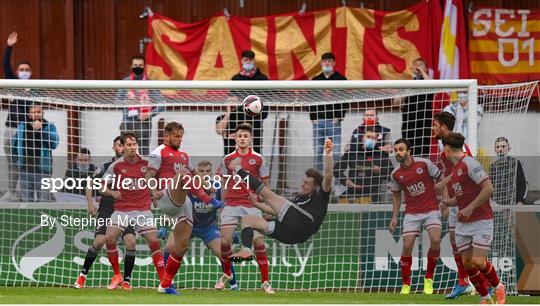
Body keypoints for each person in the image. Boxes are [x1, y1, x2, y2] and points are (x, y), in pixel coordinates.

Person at [146, 122, 223, 295]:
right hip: (165, 195)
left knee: (181, 246)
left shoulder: (184, 156)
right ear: (167, 136)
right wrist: (153, 190)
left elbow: (195, 175)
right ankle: (209, 200)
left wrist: (207, 185)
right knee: (181, 175)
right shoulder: (159, 152)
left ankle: (165, 284)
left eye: (181, 136)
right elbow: (149, 174)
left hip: (182, 202)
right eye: (176, 136)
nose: (180, 140)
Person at [228, 138, 333, 260]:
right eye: (303, 181)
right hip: (292, 235)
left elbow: (328, 175)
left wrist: (328, 153)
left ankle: (237, 168)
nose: (303, 184)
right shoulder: (298, 199)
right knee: (247, 220)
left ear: (315, 187)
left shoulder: (320, 195)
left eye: (307, 183)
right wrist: (257, 204)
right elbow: (277, 211)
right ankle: (246, 250)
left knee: (273, 197)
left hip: (306, 224)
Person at [441, 132, 506, 304]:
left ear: (447, 149)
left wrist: (470, 207)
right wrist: (448, 202)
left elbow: (488, 188)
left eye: (444, 150)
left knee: (478, 261)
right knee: (468, 263)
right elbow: (462, 196)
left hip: (481, 219)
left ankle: (499, 287)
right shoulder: (455, 170)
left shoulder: (470, 163)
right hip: (464, 222)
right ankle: (485, 297)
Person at [101, 133, 165, 291]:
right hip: (122, 210)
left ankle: (164, 280)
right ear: (122, 147)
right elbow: (101, 186)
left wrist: (155, 193)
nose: (132, 147)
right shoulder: (115, 165)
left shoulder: (146, 163)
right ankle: (117, 275)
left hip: (143, 209)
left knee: (154, 242)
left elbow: (154, 180)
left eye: (134, 144)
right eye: (128, 145)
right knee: (109, 238)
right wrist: (111, 192)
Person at [161, 160, 238, 290]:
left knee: (223, 253)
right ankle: (167, 280)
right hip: (187, 223)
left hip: (208, 227)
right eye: (201, 171)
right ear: (197, 173)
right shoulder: (190, 186)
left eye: (208, 171)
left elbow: (224, 208)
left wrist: (230, 228)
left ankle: (233, 284)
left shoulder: (217, 187)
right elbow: (174, 206)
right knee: (169, 248)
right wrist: (164, 225)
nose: (205, 174)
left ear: (212, 172)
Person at [74, 136, 136, 289]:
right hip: (107, 208)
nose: (122, 148)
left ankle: (126, 280)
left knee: (131, 241)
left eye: (125, 145)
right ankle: (83, 275)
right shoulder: (106, 166)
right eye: (119, 145)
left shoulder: (135, 166)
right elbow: (90, 183)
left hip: (125, 209)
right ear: (114, 148)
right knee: (100, 241)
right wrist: (90, 203)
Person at [219, 123, 274, 294]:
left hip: (252, 205)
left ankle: (265, 281)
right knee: (224, 241)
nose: (242, 138)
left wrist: (267, 205)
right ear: (235, 138)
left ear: (250, 139)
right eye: (240, 135)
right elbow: (223, 184)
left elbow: (265, 184)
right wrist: (222, 205)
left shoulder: (259, 159)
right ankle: (227, 273)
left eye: (245, 136)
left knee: (258, 242)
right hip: (231, 204)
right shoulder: (227, 159)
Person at [388, 138, 443, 295]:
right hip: (412, 212)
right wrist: (394, 217)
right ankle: (406, 284)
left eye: (401, 149)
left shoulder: (424, 164)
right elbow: (396, 195)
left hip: (431, 208)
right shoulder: (396, 174)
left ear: (409, 151)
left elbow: (440, 178)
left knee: (436, 241)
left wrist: (444, 200)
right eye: (396, 150)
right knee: (406, 246)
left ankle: (429, 279)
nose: (398, 152)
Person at [431, 111, 475, 299]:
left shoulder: (458, 146)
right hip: (456, 200)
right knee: (454, 239)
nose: (432, 128)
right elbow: (450, 177)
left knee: (471, 244)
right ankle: (464, 281)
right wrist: (446, 201)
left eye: (435, 125)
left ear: (443, 126)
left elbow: (466, 169)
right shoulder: (444, 149)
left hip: (468, 200)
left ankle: (486, 283)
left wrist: (443, 185)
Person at [1, 31, 34, 202]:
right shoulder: (14, 83)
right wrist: (9, 47)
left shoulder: (36, 89)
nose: (24, 72)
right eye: (21, 69)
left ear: (31, 72)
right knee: (12, 162)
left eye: (27, 70)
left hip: (27, 132)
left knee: (27, 163)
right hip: (12, 129)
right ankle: (11, 192)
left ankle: (26, 193)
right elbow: (5, 65)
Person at [117, 55, 164, 156]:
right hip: (127, 123)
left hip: (144, 123)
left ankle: (143, 171)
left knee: (144, 154)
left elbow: (162, 104)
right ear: (132, 66)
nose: (137, 67)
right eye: (135, 65)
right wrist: (126, 102)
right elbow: (117, 101)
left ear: (144, 67)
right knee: (125, 153)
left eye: (140, 65)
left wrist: (150, 114)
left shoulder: (151, 83)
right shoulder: (125, 82)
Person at [310, 52, 347, 170]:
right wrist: (313, 118)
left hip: (334, 121)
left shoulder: (341, 79)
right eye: (325, 61)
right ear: (321, 63)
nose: (327, 63)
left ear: (334, 63)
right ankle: (318, 178)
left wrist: (340, 116)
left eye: (330, 61)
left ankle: (335, 179)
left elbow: (346, 100)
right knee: (317, 151)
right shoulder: (315, 80)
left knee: (335, 152)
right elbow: (310, 100)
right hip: (318, 121)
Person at [13, 103, 59, 202]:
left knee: (44, 200)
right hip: (25, 169)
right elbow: (14, 146)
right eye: (33, 112)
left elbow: (54, 144)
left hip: (43, 170)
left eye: (38, 112)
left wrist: (42, 130)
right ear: (29, 115)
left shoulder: (49, 126)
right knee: (26, 200)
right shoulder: (22, 126)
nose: (36, 114)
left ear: (42, 113)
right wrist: (16, 163)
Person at [334, 127, 390, 203]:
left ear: (377, 140)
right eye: (368, 137)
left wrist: (380, 171)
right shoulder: (352, 152)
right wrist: (345, 180)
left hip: (372, 195)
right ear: (362, 137)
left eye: (374, 138)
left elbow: (391, 174)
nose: (371, 140)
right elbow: (336, 169)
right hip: (352, 193)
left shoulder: (382, 154)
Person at [393, 58, 433, 157]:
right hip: (409, 122)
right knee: (408, 149)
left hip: (424, 122)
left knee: (423, 150)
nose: (417, 66)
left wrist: (422, 71)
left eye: (420, 65)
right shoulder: (409, 83)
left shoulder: (429, 81)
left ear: (426, 69)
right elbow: (396, 102)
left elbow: (431, 83)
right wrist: (407, 91)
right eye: (416, 65)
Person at [489, 137, 528, 206]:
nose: (500, 149)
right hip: (498, 207)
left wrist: (520, 201)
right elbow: (490, 187)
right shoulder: (493, 166)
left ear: (509, 148)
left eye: (503, 146)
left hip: (513, 205)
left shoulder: (516, 163)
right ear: (495, 149)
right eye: (497, 147)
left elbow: (524, 184)